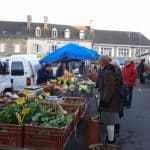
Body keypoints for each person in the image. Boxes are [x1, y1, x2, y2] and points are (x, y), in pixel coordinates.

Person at [98, 55, 121, 143]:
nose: (99, 64)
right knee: (110, 121)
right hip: (114, 100)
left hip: (110, 101)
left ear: (102, 63)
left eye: (99, 62)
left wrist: (104, 101)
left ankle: (111, 140)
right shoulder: (112, 69)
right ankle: (110, 137)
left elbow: (109, 88)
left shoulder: (107, 72)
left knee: (109, 121)